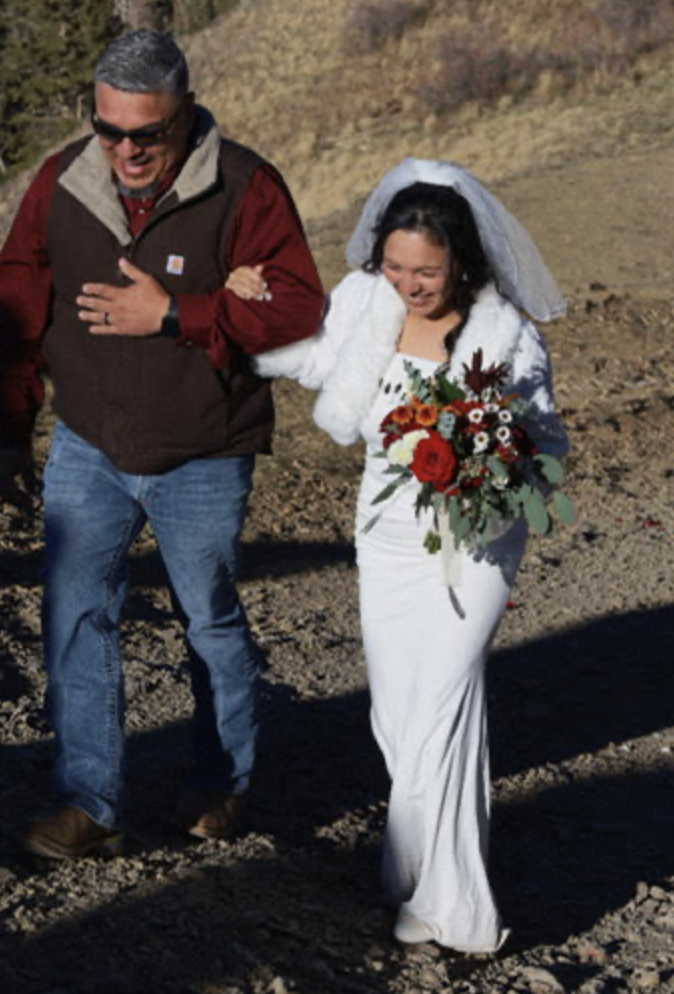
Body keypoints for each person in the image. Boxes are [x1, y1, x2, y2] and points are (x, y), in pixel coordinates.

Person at [0, 30, 324, 858]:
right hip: (88, 443)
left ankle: (219, 785)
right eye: (110, 130)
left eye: (148, 133)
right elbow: (21, 302)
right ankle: (89, 803)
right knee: (74, 614)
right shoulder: (62, 180)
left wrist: (179, 312)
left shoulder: (246, 185)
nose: (126, 149)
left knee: (208, 620)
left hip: (205, 451)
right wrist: (11, 426)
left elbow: (300, 311)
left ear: (186, 114)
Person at [227, 159, 568, 953]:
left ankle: (455, 908)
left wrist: (496, 457)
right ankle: (413, 864)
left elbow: (546, 440)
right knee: (395, 712)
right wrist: (250, 304)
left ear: (463, 263)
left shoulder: (506, 334)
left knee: (444, 704)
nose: (410, 285)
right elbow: (307, 353)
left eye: (428, 271)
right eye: (396, 267)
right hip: (384, 535)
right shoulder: (363, 303)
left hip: (475, 542)